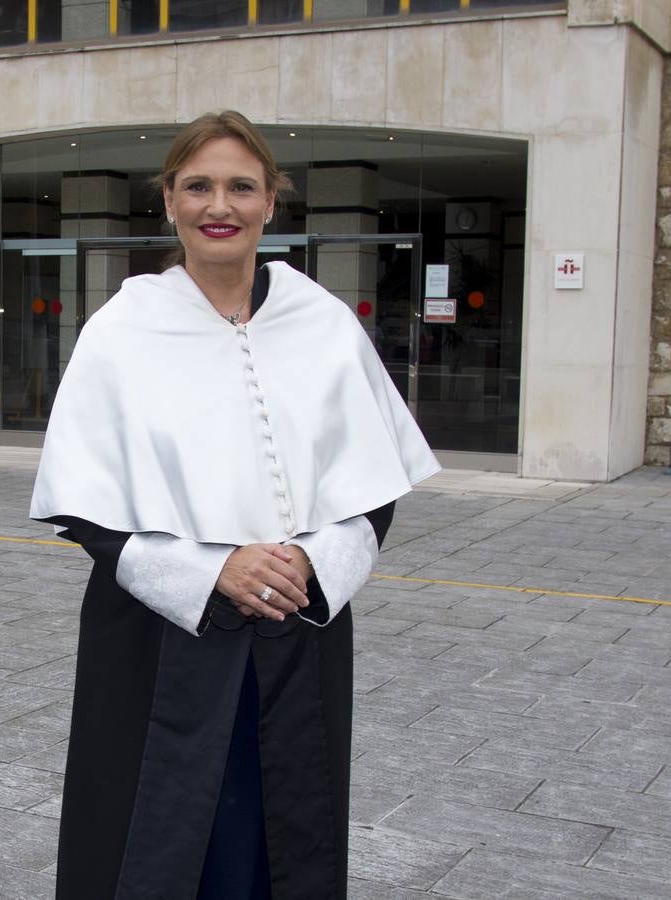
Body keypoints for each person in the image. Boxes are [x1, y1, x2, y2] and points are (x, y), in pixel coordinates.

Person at [30, 111, 439, 899]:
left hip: (298, 619)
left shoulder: (321, 324)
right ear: (170, 200)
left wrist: (304, 565)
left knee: (282, 829)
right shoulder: (121, 330)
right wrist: (214, 570)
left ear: (270, 202)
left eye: (240, 187)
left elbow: (371, 486)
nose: (220, 204)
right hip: (157, 635)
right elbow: (87, 508)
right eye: (199, 186)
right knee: (153, 837)